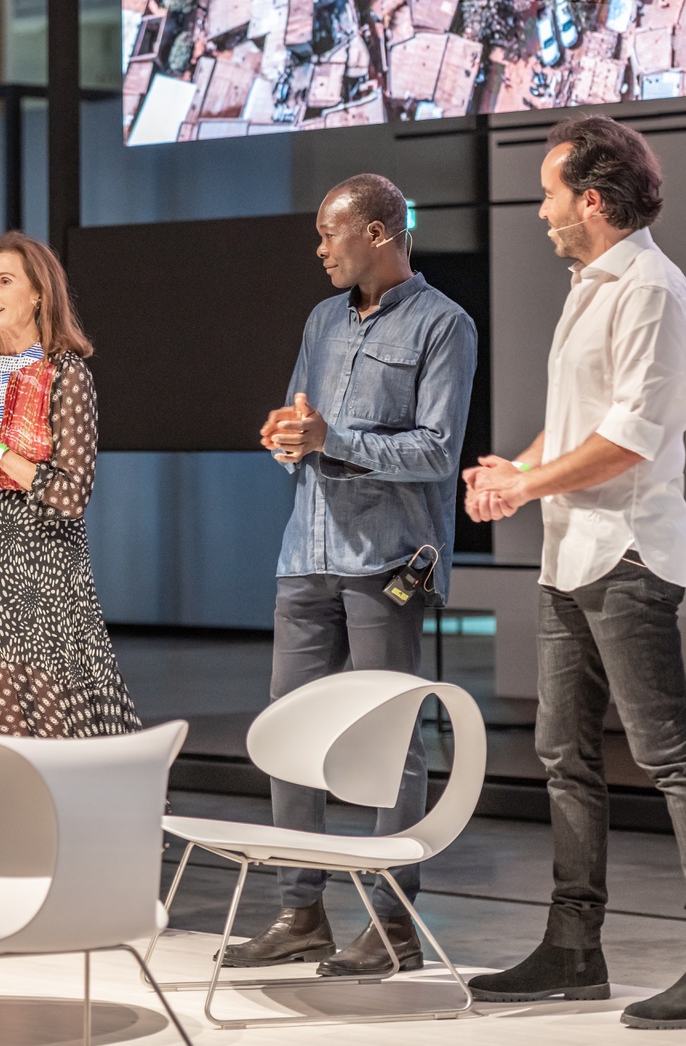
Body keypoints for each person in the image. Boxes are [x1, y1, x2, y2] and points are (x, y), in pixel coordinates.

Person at [462, 115, 686, 1029]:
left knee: (668, 756)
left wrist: (525, 484)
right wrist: (516, 470)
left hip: (627, 553)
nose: (541, 211)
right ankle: (573, 950)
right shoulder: (590, 286)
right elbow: (579, 421)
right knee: (563, 755)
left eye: (549, 194)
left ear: (591, 200)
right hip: (570, 553)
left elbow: (632, 438)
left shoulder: (652, 291)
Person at [225, 175, 476, 976]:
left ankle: (392, 923)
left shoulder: (444, 324)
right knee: (286, 735)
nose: (320, 250)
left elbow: (437, 451)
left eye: (329, 234)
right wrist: (286, 434)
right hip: (305, 556)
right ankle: (300, 912)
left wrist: (332, 439)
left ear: (376, 233)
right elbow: (302, 419)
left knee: (387, 740)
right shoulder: (322, 320)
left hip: (386, 562)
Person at [0, 232, 140, 738]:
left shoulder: (66, 374)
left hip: (44, 563)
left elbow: (71, 495)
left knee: (54, 715)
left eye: (4, 281)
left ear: (39, 294)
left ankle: (76, 791)